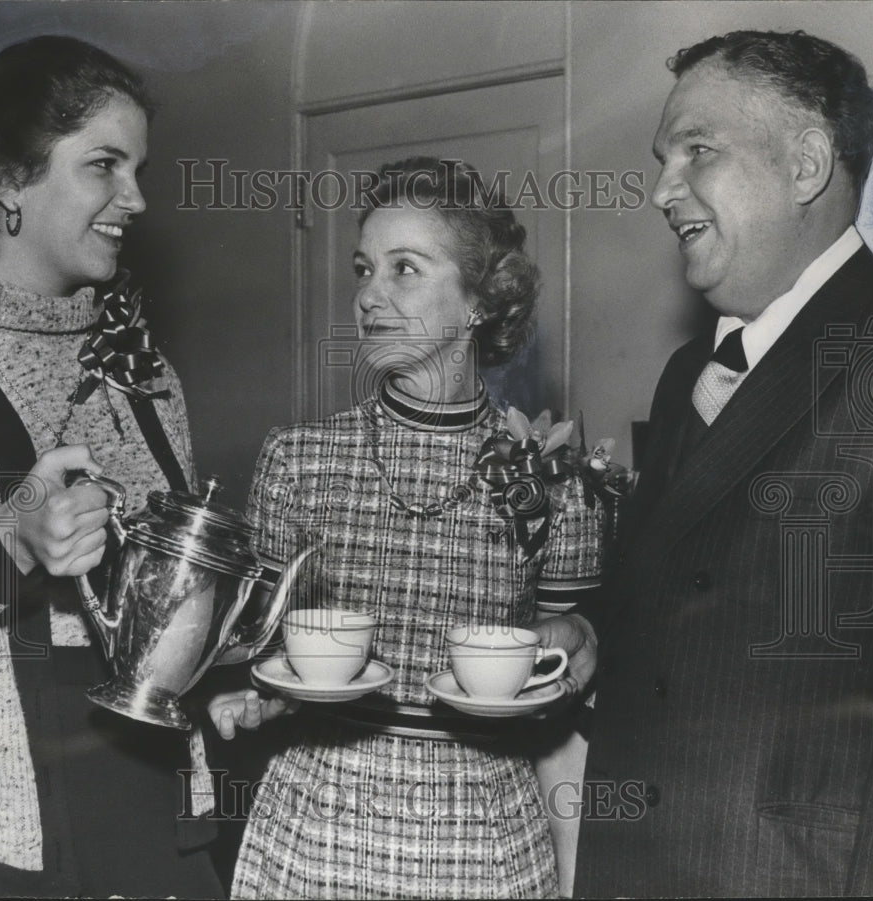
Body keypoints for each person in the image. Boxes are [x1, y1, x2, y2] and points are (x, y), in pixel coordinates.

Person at [207, 156, 601, 899]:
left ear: (481, 299)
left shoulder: (557, 476)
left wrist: (581, 644)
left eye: (405, 270)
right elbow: (259, 651)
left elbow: (566, 691)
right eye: (364, 268)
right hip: (317, 821)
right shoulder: (297, 460)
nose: (368, 296)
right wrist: (256, 695)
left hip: (486, 833)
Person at [570, 30, 873, 897]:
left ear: (807, 165)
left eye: (698, 152)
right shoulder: (692, 370)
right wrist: (591, 633)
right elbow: (672, 591)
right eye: (662, 158)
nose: (661, 190)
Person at [0, 35, 225, 898]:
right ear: (9, 180)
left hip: (151, 805)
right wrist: (8, 539)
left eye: (139, 170)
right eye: (105, 166)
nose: (137, 199)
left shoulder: (146, 376)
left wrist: (226, 673)